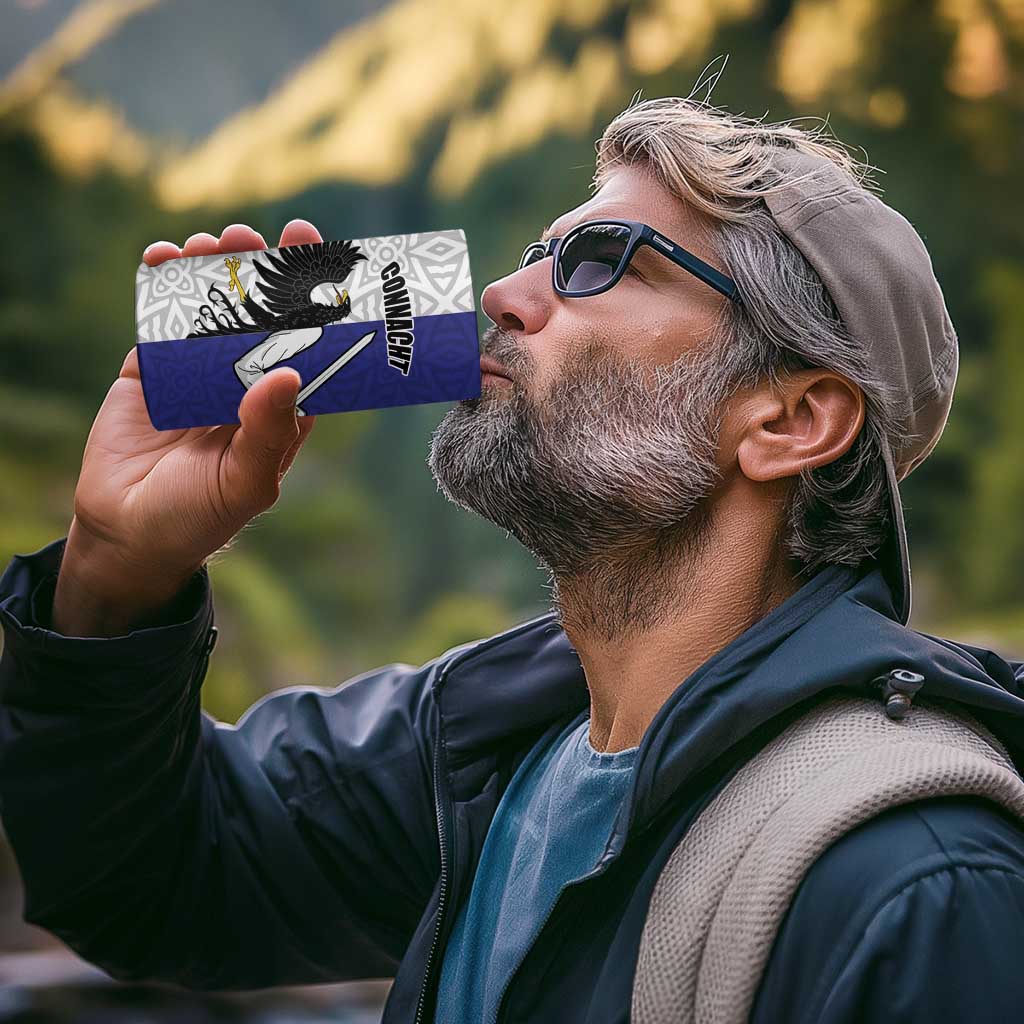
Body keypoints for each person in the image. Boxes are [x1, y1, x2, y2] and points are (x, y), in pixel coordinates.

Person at [2, 95, 1024, 1024]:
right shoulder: (480, 749)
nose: (502, 291)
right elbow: (149, 880)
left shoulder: (918, 883)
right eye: (539, 252)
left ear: (791, 419)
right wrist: (116, 571)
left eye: (600, 262)